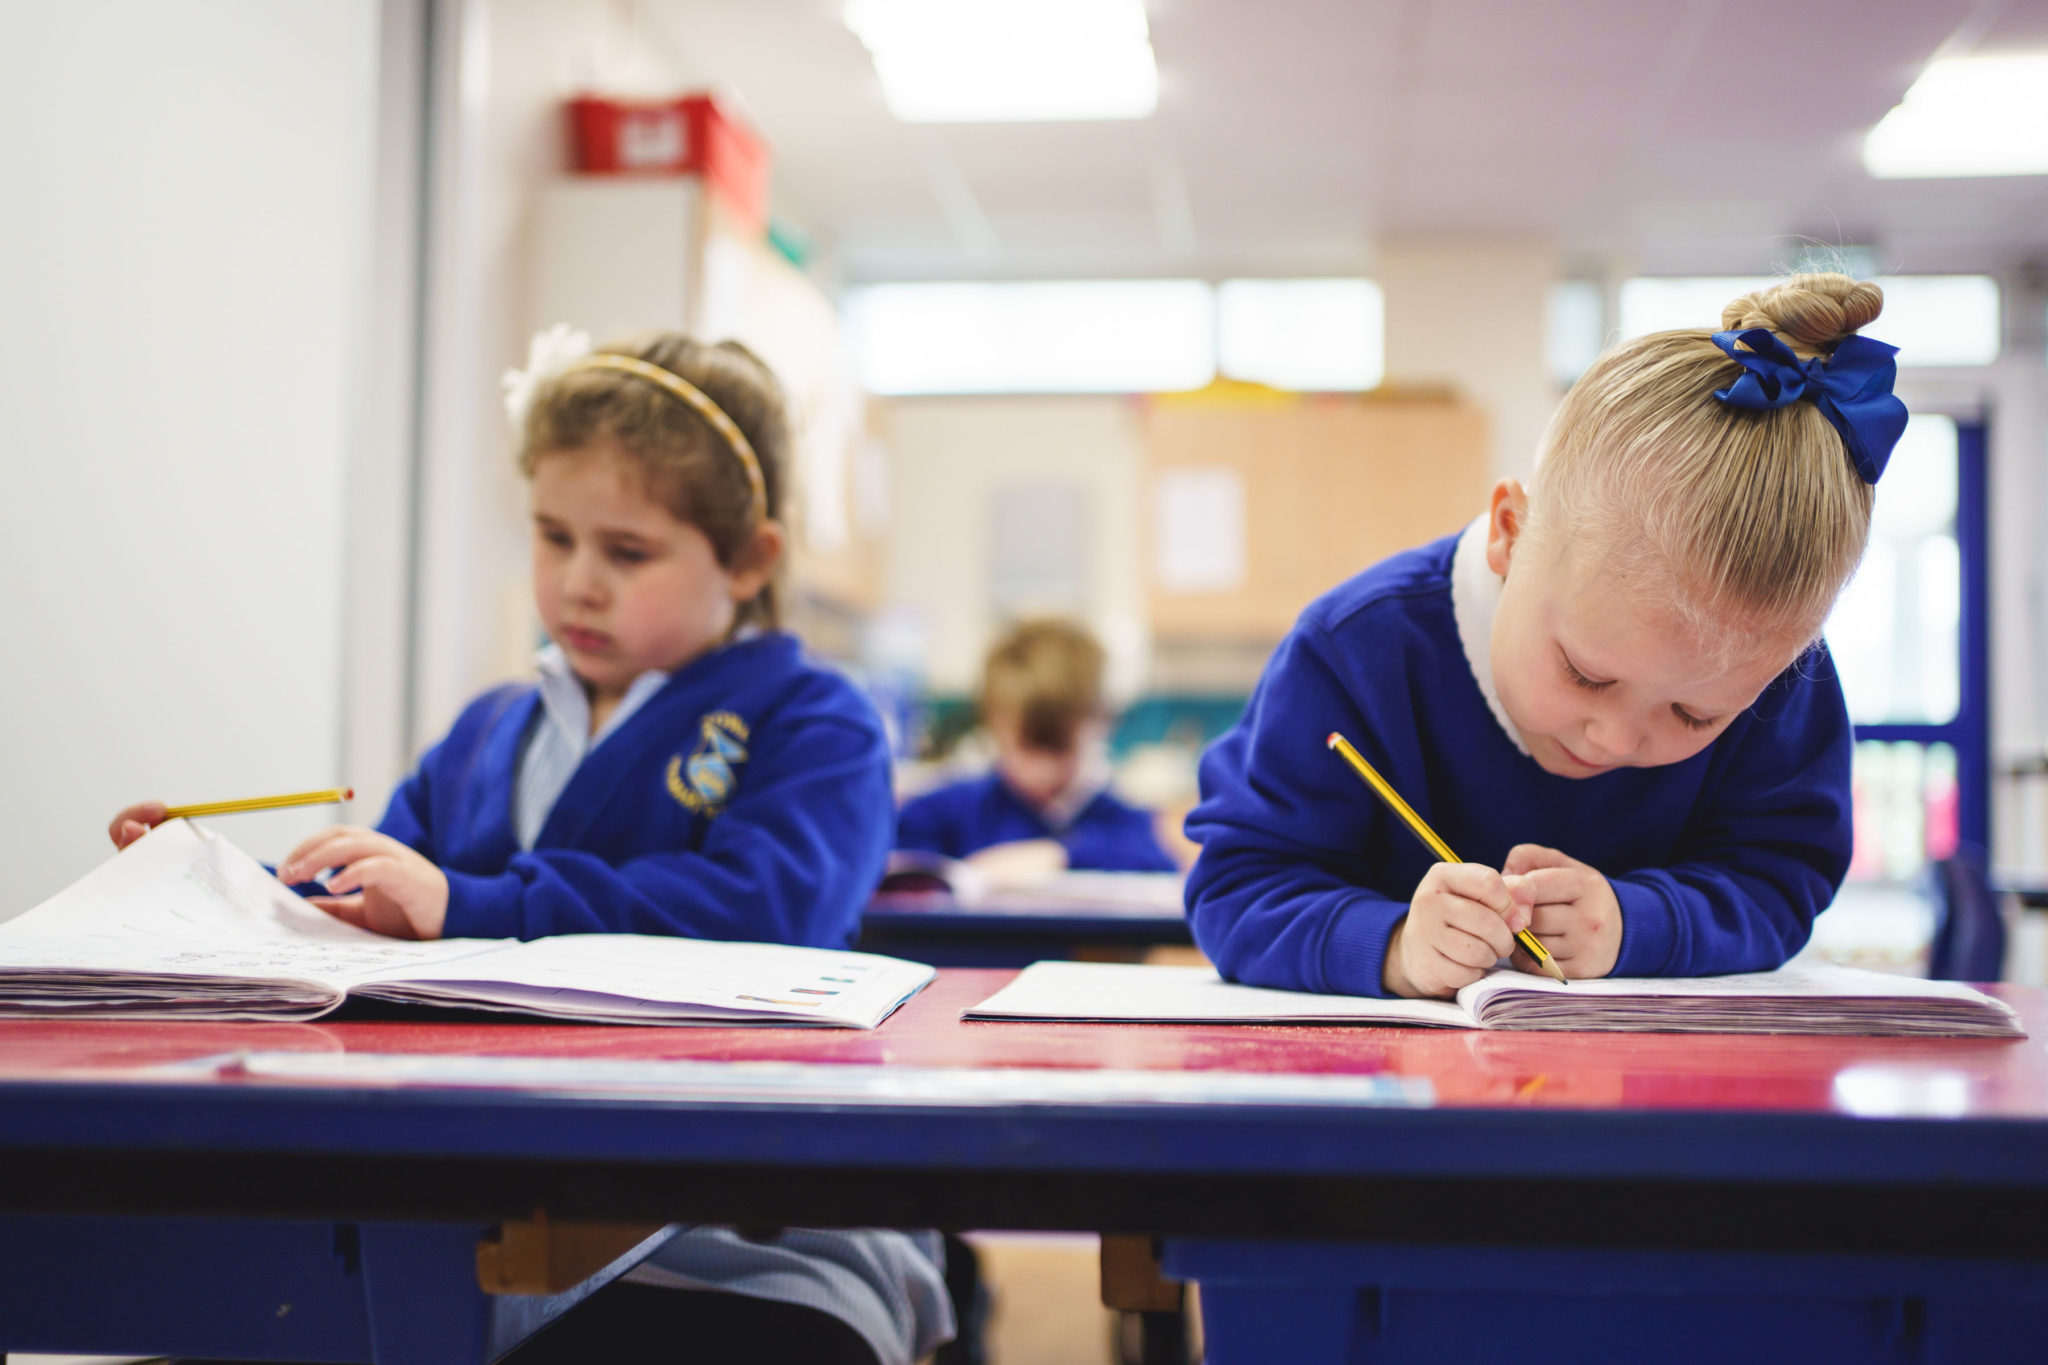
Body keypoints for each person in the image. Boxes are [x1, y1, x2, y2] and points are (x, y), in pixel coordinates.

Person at [110, 327, 953, 1365]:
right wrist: (225, 894)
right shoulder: (487, 732)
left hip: (737, 1214)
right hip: (464, 1203)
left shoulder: (815, 720)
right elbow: (378, 911)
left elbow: (760, 917)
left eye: (626, 552)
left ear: (748, 561)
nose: (578, 583)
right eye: (554, 538)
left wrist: (472, 908)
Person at [1185, 273, 1907, 1000]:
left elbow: (1780, 878)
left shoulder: (1770, 669)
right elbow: (1238, 885)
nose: (1617, 739)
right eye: (1587, 674)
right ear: (1509, 532)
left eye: (1695, 716)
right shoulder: (1353, 653)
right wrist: (1397, 948)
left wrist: (1637, 924)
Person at [895, 618, 1179, 876]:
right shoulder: (946, 812)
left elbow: (1160, 863)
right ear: (994, 723)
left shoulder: (1125, 824)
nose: (1043, 770)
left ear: (1101, 721)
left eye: (1061, 749)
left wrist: (1059, 855)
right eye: (1027, 748)